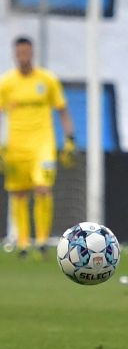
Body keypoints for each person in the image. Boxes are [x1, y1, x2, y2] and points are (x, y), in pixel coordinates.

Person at [0, 37, 75, 258]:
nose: (23, 57)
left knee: (43, 188)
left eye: (26, 52)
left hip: (43, 144)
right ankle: (23, 243)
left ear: (32, 53)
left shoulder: (47, 80)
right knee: (19, 193)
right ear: (15, 55)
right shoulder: (6, 83)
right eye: (19, 53)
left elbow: (62, 110)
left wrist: (70, 139)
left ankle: (42, 241)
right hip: (16, 146)